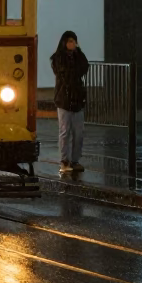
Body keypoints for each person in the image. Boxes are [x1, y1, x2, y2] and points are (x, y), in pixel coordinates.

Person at [51, 30, 89, 175]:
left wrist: (78, 53)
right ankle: (65, 160)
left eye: (74, 41)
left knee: (78, 132)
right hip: (64, 98)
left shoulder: (79, 56)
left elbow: (84, 67)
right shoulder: (58, 58)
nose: (72, 44)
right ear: (64, 43)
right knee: (65, 131)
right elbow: (63, 73)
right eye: (69, 41)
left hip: (77, 98)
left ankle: (75, 160)